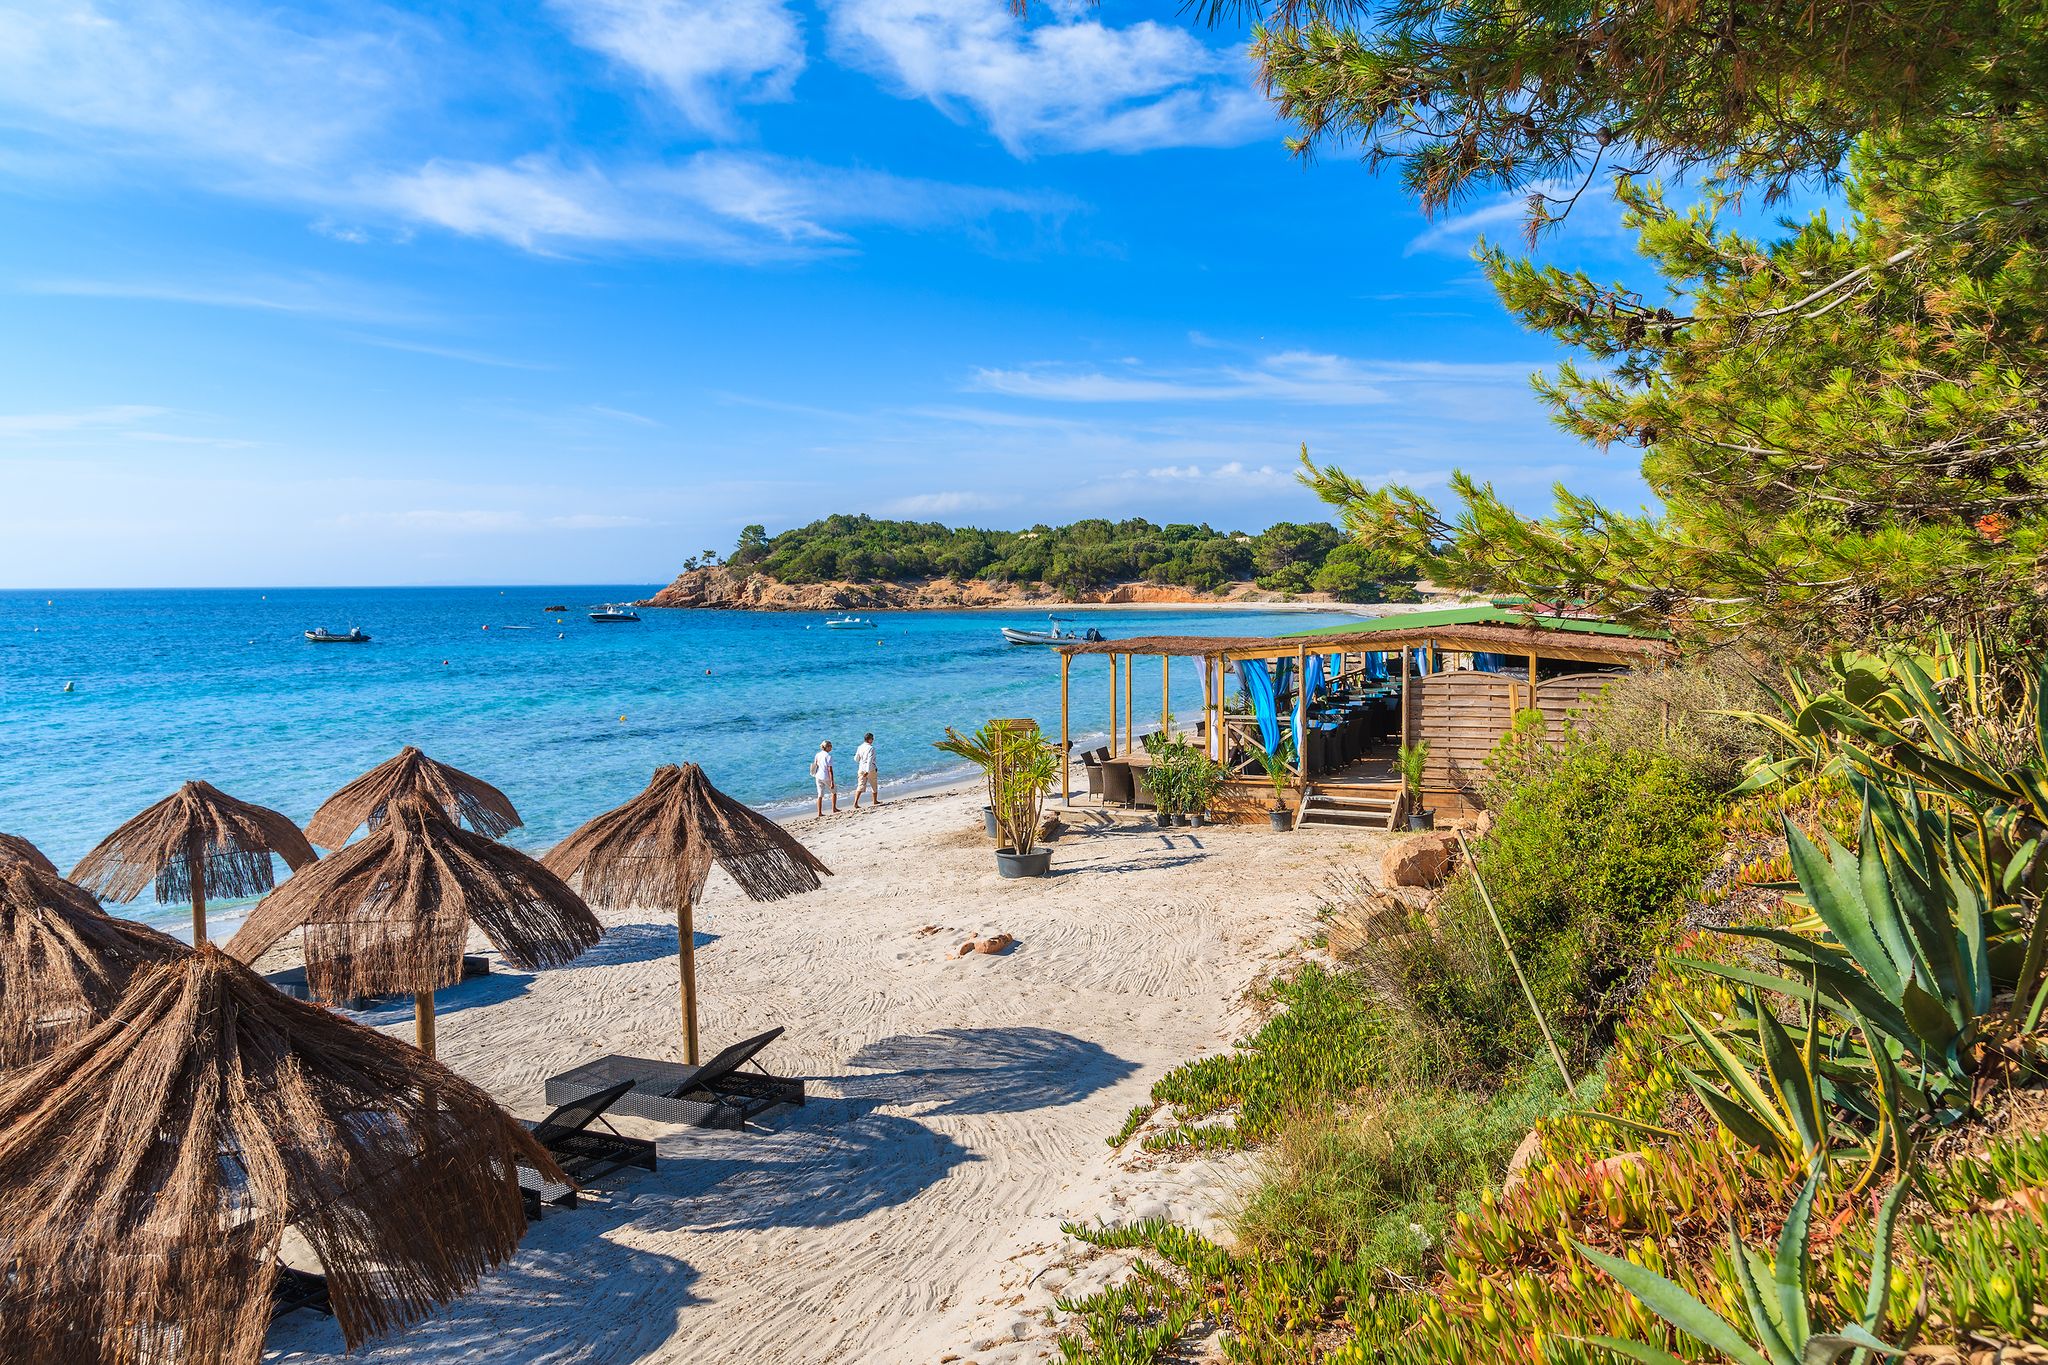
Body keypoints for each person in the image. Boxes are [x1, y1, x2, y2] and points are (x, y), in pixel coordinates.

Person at [853, 732, 881, 808]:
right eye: (872, 738)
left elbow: (856, 759)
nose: (873, 740)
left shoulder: (860, 747)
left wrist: (861, 762)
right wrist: (867, 771)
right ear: (869, 739)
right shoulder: (871, 748)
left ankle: (855, 802)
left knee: (860, 785)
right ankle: (875, 800)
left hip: (861, 768)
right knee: (873, 784)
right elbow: (870, 760)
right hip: (870, 768)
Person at [811, 739, 838, 816]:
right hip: (826, 776)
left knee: (820, 795)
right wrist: (832, 781)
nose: (831, 747)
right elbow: (830, 770)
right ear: (827, 747)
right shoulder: (828, 756)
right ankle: (834, 808)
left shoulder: (817, 754)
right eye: (830, 746)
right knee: (834, 792)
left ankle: (819, 812)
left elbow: (815, 764)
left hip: (818, 776)